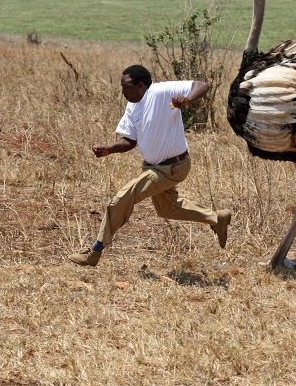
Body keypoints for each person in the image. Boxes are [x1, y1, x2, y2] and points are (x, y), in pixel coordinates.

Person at [68, 64, 232, 267]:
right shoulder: (132, 106)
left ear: (141, 85)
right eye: (122, 87)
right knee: (168, 209)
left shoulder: (160, 92)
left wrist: (187, 99)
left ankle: (95, 251)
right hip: (153, 168)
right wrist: (110, 148)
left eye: (127, 87)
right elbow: (130, 140)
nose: (123, 92)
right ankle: (216, 218)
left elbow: (202, 85)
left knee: (120, 200)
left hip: (173, 167)